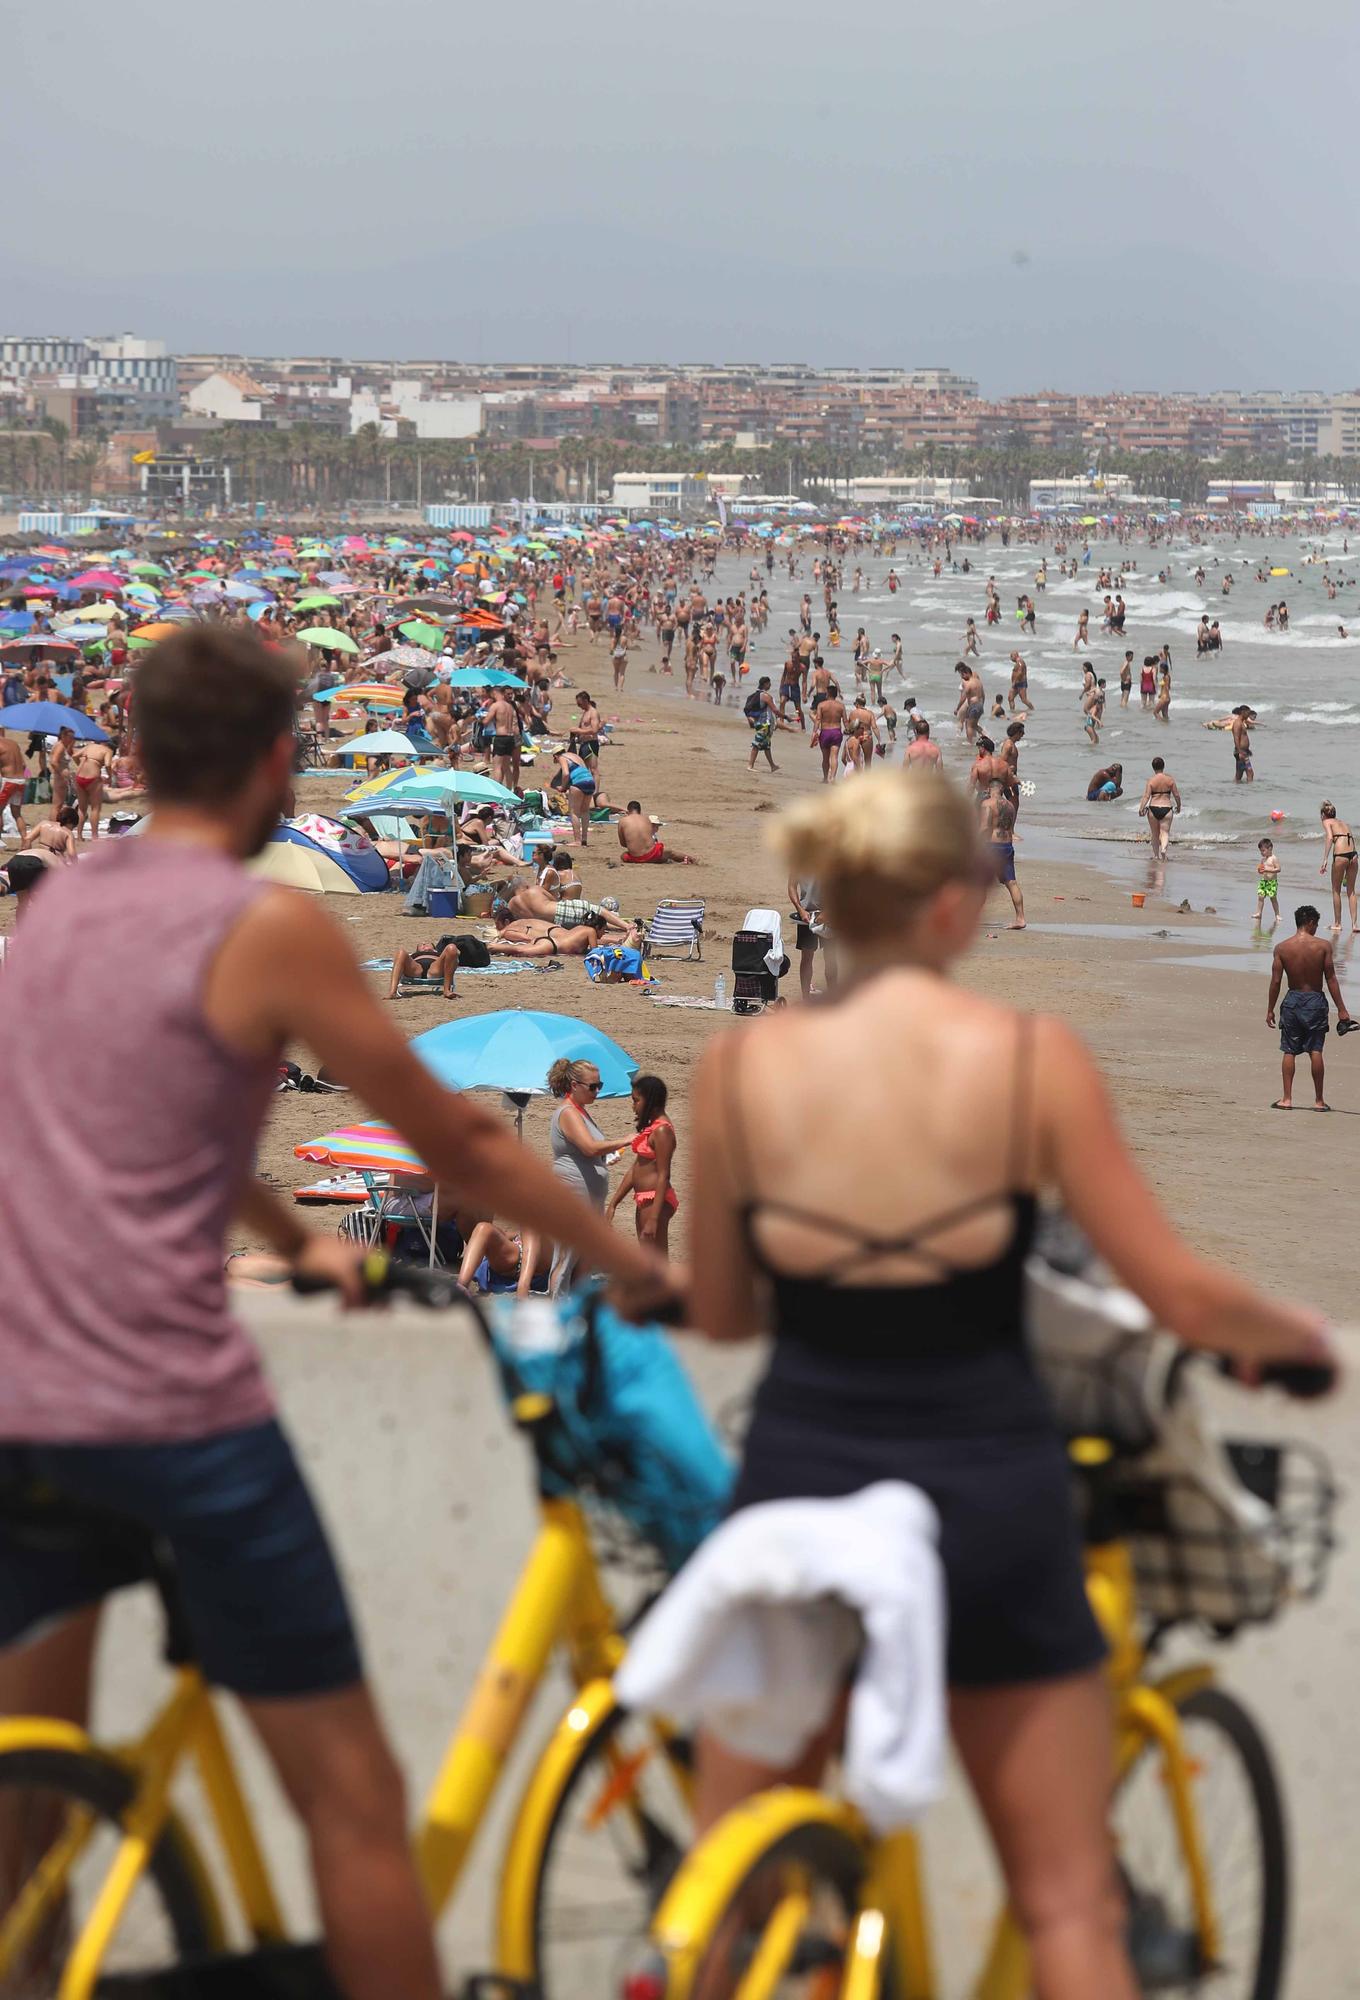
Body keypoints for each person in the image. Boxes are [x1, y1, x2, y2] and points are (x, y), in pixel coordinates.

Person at [0, 627, 671, 2000]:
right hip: (169, 1411)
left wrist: (295, 1241)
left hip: (21, 1392)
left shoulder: (66, 902)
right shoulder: (264, 925)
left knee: (35, 1800)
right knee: (356, 1808)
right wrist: (643, 1268)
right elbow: (472, 1152)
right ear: (273, 764)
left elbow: (149, 1120)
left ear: (134, 758)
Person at [688, 769, 1334, 2000]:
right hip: (982, 1492)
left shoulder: (742, 1068)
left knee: (745, 1876)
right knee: (1066, 1901)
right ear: (951, 905)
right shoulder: (1025, 1058)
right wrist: (1295, 1337)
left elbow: (720, 1309)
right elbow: (1177, 1293)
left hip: (802, 1481)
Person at [547, 1057, 630, 1292]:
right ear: (574, 1086)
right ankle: (558, 1307)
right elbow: (589, 1148)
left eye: (599, 1086)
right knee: (566, 1256)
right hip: (573, 1193)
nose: (597, 1091)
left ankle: (574, 1308)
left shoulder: (580, 1112)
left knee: (583, 1255)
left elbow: (590, 1152)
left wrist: (606, 1157)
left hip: (587, 1195)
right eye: (593, 1086)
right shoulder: (568, 1113)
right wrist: (624, 1140)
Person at [1267, 905, 1354, 1111]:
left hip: (1292, 1000)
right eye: (1315, 924)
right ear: (1310, 923)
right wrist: (1342, 1009)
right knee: (1315, 1050)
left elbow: (1276, 982)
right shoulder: (1323, 946)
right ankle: (1319, 1101)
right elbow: (1331, 978)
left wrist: (1270, 1008)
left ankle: (1286, 1099)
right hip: (1315, 1000)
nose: (1316, 928)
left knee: (1289, 1050)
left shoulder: (1282, 948)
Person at [605, 1073, 679, 1256]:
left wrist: (654, 1217)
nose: (633, 1107)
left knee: (655, 1260)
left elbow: (664, 1174)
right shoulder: (652, 1128)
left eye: (636, 1101)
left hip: (655, 1200)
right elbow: (636, 1168)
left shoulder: (662, 1131)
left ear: (650, 1100)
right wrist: (614, 1203)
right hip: (646, 1199)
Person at [1318, 801, 1358, 933]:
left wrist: (1325, 859)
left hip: (1340, 855)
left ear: (1324, 814)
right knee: (1351, 891)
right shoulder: (1343, 823)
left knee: (1336, 890)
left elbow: (1330, 838)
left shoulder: (1327, 822)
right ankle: (1354, 925)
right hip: (1354, 855)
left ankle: (1337, 923)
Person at [617, 800, 696, 865]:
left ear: (628, 811)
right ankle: (690, 859)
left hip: (636, 858)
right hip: (652, 855)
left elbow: (623, 844)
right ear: (639, 811)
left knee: (623, 855)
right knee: (670, 852)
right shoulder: (646, 819)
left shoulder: (622, 821)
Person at [386, 939, 459, 999]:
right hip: (416, 969)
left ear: (434, 949)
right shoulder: (414, 955)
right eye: (421, 945)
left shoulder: (440, 954)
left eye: (427, 943)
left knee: (451, 947)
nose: (424, 944)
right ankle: (392, 992)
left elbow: (454, 961)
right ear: (417, 951)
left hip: (435, 968)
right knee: (400, 952)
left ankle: (446, 990)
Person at [1138, 757, 1180, 859]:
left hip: (1153, 808)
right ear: (1163, 766)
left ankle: (1156, 856)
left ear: (1153, 768)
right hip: (1166, 808)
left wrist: (1141, 808)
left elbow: (1146, 796)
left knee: (1155, 834)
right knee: (1165, 832)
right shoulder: (1170, 780)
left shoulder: (1151, 781)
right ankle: (1164, 849)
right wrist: (1179, 806)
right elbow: (1177, 795)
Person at [1254, 837, 1281, 927]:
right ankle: (1259, 913)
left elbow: (1278, 869)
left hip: (1272, 882)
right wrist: (1260, 870)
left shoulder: (1274, 858)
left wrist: (1269, 869)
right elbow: (1261, 869)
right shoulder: (1263, 860)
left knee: (1273, 898)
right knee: (1260, 897)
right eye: (1261, 851)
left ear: (1270, 849)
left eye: (1263, 851)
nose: (1262, 853)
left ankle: (1277, 914)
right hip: (1264, 881)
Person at [1230, 706, 1254, 785]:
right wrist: (1240, 751)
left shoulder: (1242, 723)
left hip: (1243, 751)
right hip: (1241, 752)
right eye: (1248, 713)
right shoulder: (1237, 723)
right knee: (1250, 772)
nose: (1249, 715)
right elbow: (1236, 738)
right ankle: (1250, 792)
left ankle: (1236, 791)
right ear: (1243, 712)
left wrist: (1247, 750)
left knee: (1239, 775)